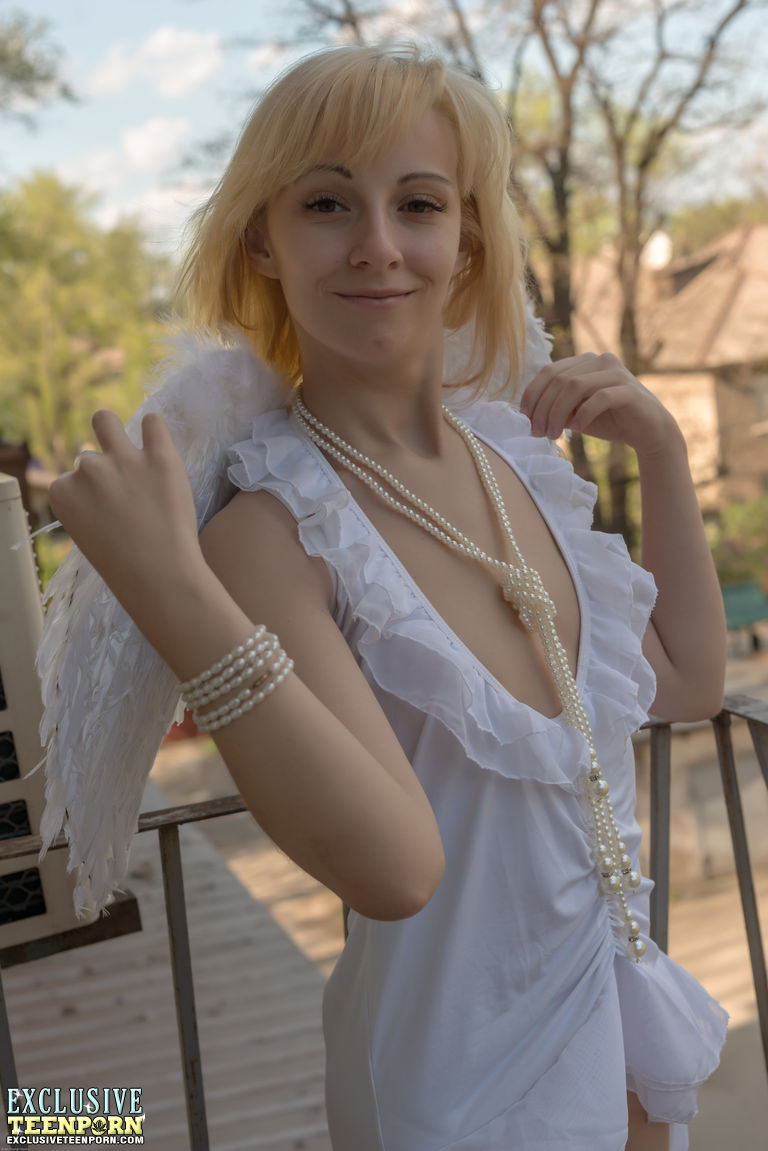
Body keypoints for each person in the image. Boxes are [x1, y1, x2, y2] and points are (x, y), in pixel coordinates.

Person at [45, 44, 728, 1151]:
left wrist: (663, 449)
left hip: (625, 1055)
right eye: (327, 203)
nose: (377, 244)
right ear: (262, 240)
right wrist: (172, 585)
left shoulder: (514, 460)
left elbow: (685, 681)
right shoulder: (271, 531)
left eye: (418, 203)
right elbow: (397, 867)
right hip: (463, 1101)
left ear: (467, 240)